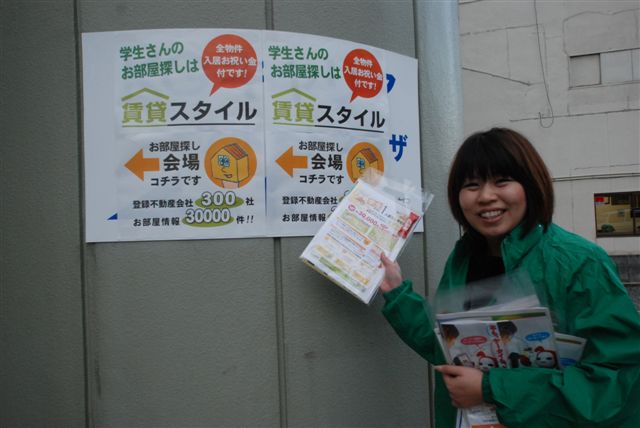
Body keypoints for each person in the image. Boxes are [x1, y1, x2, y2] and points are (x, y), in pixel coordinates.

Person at [379, 127, 640, 427]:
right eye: (472, 185)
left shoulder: (580, 262)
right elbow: (449, 347)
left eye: (502, 181)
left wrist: (490, 388)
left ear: (531, 185)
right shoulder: (464, 256)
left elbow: (620, 379)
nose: (486, 196)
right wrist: (396, 294)